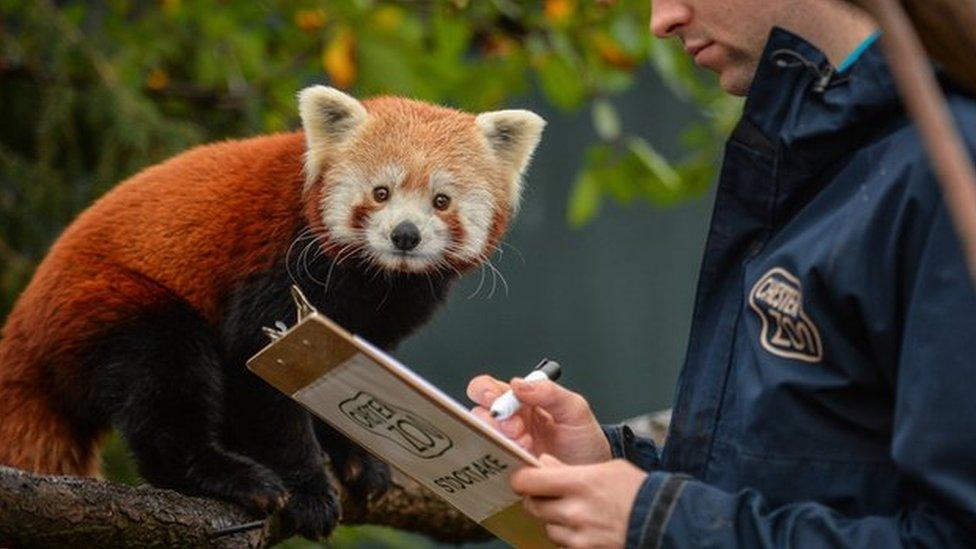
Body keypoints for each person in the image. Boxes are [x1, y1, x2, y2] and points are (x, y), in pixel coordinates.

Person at [467, 0, 976, 547]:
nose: (661, 21)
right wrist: (616, 470)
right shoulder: (812, 152)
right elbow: (811, 485)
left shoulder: (951, 170)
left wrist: (657, 523)